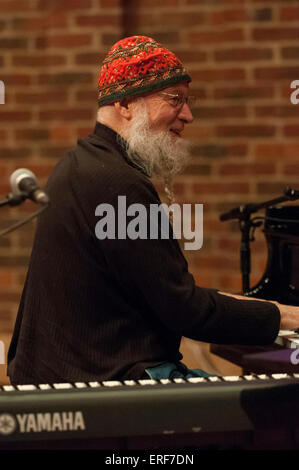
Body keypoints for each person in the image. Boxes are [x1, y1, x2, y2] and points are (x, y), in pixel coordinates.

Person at [7, 36, 299, 385]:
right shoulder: (118, 184)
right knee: (275, 406)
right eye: (175, 99)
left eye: (188, 101)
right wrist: (285, 315)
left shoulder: (77, 164)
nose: (188, 115)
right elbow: (185, 310)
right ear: (126, 104)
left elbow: (160, 290)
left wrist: (252, 307)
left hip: (72, 376)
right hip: (109, 387)